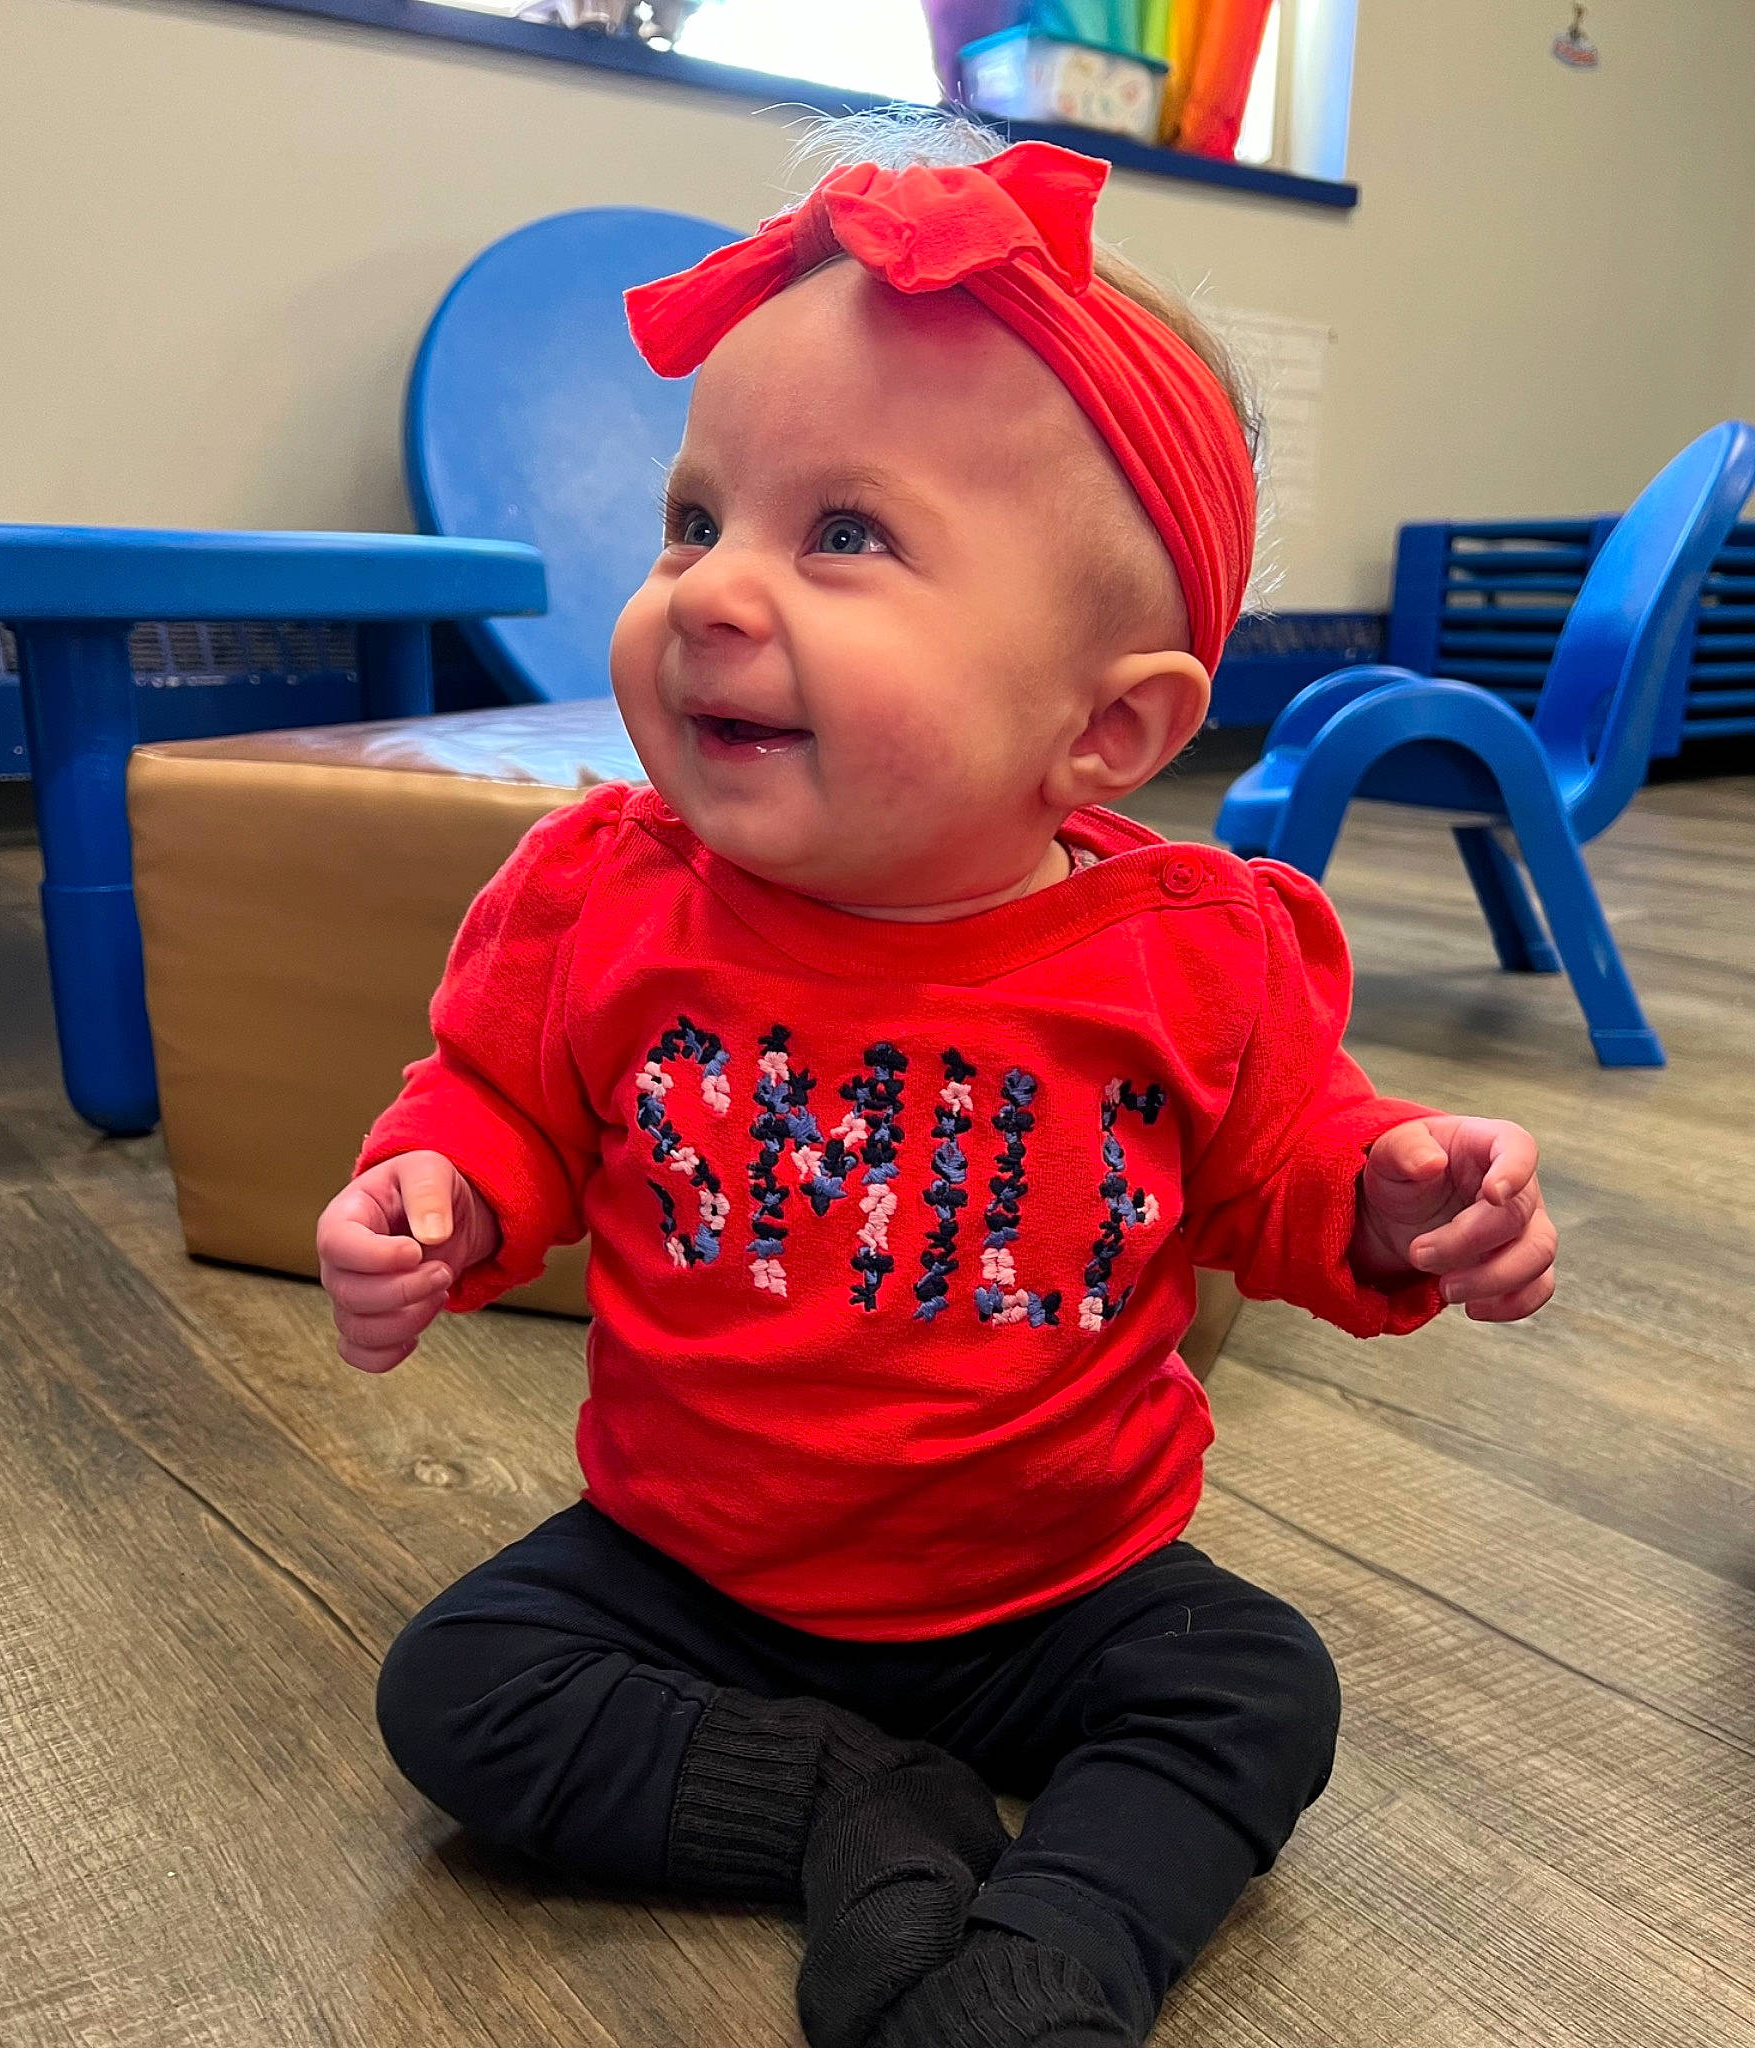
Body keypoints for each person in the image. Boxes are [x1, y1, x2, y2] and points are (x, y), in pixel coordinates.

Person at [316, 118, 1557, 2048]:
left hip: (1058, 1581)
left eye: (845, 535)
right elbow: (503, 1097)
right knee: (456, 1686)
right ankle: (842, 1804)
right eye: (695, 517)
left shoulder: (1189, 956)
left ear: (1108, 728)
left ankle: (1045, 1963)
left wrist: (1388, 1194)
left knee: (1256, 1688)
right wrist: (441, 1193)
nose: (714, 591)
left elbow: (1277, 1171)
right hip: (688, 1569)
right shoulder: (599, 898)